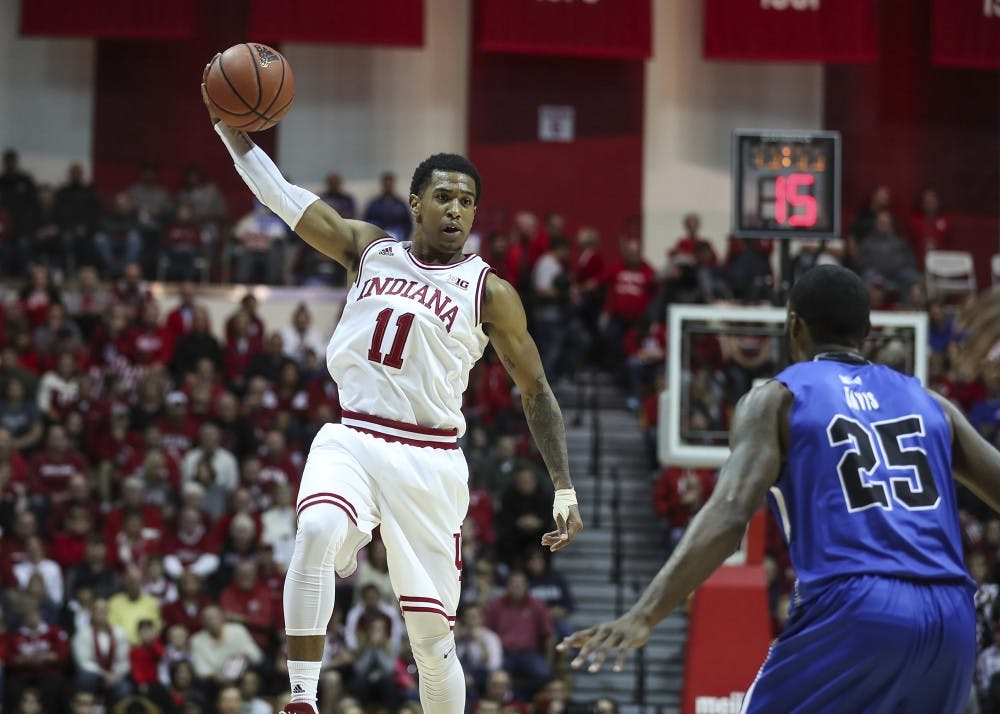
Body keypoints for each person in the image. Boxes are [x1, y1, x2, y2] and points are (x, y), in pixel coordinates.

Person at [202, 63, 583, 714]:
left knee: (433, 640)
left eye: (466, 200)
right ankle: (302, 699)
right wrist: (226, 124)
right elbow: (283, 196)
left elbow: (536, 391)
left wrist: (564, 484)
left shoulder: (490, 293)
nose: (456, 209)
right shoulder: (368, 250)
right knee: (317, 527)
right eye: (444, 197)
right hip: (353, 434)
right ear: (415, 202)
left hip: (429, 459)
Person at [560, 264, 1000, 713]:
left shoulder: (779, 398)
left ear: (794, 325)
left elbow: (730, 517)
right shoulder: (932, 404)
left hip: (857, 604)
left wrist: (645, 613)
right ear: (868, 329)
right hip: (952, 614)